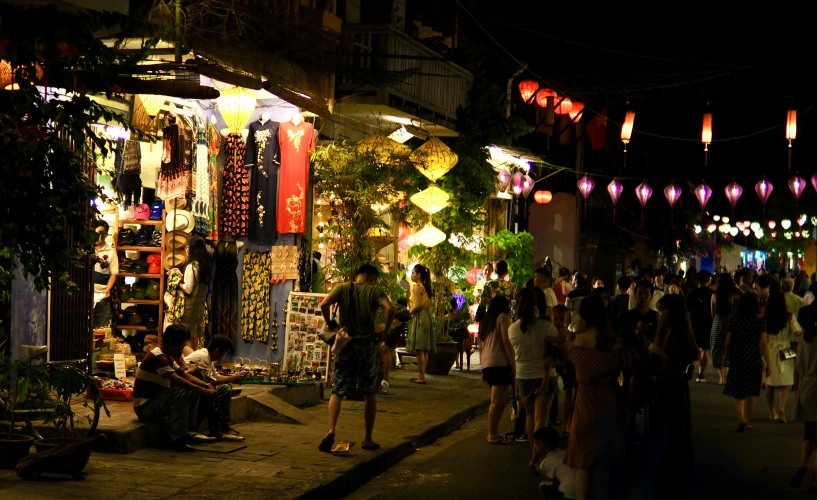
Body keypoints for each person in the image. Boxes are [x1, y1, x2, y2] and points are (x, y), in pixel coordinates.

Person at [318, 264, 395, 452]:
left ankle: (330, 429)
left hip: (346, 344)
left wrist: (331, 324)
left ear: (358, 275)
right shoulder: (374, 291)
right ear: (372, 278)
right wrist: (385, 331)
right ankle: (368, 438)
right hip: (367, 344)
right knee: (369, 393)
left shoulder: (343, 288)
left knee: (338, 390)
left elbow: (323, 304)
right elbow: (390, 308)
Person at [566, 294, 628, 500]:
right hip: (610, 398)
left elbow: (566, 344)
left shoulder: (578, 340)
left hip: (585, 400)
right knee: (609, 455)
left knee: (584, 461)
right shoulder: (611, 338)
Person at [133, 324, 218, 451]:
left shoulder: (167, 356)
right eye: (183, 343)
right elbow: (177, 380)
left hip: (159, 400)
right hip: (146, 406)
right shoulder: (157, 356)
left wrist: (206, 385)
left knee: (192, 390)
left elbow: (183, 375)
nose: (184, 346)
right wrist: (204, 391)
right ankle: (177, 437)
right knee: (182, 391)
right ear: (177, 342)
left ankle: (189, 430)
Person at [649, 294, 698, 499]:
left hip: (671, 389)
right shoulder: (667, 331)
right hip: (667, 389)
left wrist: (656, 366)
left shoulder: (678, 335)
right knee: (670, 433)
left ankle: (670, 478)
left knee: (671, 433)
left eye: (662, 310)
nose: (659, 314)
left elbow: (679, 369)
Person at [508, 288, 560, 465]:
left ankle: (534, 453)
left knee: (529, 416)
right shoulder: (546, 326)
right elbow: (558, 345)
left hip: (524, 376)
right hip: (544, 375)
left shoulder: (512, 330)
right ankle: (538, 458)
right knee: (541, 419)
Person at [184, 334, 247, 441]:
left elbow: (214, 377)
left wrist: (232, 377)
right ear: (218, 351)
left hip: (199, 387)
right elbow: (211, 380)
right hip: (189, 389)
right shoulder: (202, 357)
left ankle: (221, 427)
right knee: (217, 390)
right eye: (225, 353)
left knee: (224, 388)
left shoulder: (208, 357)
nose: (225, 357)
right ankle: (203, 429)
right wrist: (232, 378)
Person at [724, 293, 771, 432]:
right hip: (753, 357)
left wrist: (726, 354)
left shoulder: (734, 319)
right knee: (751, 392)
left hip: (737, 357)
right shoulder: (758, 321)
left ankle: (741, 419)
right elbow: (763, 343)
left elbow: (728, 340)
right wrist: (768, 363)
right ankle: (748, 420)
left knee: (738, 392)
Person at [479, 295, 515, 444]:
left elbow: (481, 345)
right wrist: (513, 362)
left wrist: (482, 367)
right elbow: (506, 341)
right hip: (499, 362)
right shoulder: (503, 317)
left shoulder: (486, 321)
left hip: (487, 363)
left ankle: (494, 432)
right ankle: (492, 434)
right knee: (496, 401)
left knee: (501, 399)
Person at [764, 291, 803, 423]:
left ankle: (772, 411)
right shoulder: (789, 316)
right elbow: (797, 332)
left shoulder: (765, 316)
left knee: (770, 383)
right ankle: (782, 410)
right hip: (785, 349)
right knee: (785, 383)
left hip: (769, 349)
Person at [791, 298, 817, 491]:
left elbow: (797, 368)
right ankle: (815, 478)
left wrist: (797, 390)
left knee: (809, 433)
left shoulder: (806, 337)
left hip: (807, 387)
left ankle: (801, 465)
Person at [180, 236, 213, 350]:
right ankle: (194, 360)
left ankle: (187, 361)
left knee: (185, 338)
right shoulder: (204, 266)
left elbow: (188, 288)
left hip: (189, 306)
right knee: (194, 337)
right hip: (198, 308)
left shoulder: (191, 266)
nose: (186, 250)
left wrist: (178, 284)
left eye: (187, 247)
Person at [406, 264, 435, 384]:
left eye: (413, 273)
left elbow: (417, 305)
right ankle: (421, 374)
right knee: (424, 349)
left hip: (420, 317)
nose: (411, 275)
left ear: (418, 275)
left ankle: (421, 376)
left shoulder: (417, 287)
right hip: (426, 316)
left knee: (419, 349)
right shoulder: (426, 287)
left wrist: (407, 314)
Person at [711, 273, 741, 385]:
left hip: (718, 322)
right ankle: (729, 376)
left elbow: (712, 313)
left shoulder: (714, 295)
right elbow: (745, 296)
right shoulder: (732, 294)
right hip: (730, 321)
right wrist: (737, 287)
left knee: (717, 348)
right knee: (730, 347)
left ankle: (721, 378)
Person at [686, 270, 714, 382]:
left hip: (693, 323)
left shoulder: (692, 293)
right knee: (705, 350)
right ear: (708, 280)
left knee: (691, 348)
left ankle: (688, 368)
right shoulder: (711, 294)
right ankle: (700, 374)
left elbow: (686, 310)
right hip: (707, 323)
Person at [535, 426, 577, 500]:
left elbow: (550, 477)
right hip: (581, 488)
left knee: (544, 486)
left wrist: (539, 469)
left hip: (567, 491)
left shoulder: (546, 462)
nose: (534, 447)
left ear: (546, 447)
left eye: (537, 444)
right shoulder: (563, 452)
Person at [552, 305, 575, 435]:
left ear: (567, 320)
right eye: (556, 319)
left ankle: (566, 423)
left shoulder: (567, 334)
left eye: (561, 319)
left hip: (567, 364)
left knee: (570, 391)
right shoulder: (550, 333)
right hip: (555, 364)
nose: (558, 322)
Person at [92, 219, 118, 328]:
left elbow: (114, 273)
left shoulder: (111, 252)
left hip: (102, 296)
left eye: (101, 234)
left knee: (101, 328)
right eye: (96, 233)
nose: (98, 236)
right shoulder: (87, 249)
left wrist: (108, 289)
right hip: (85, 294)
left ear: (106, 234)